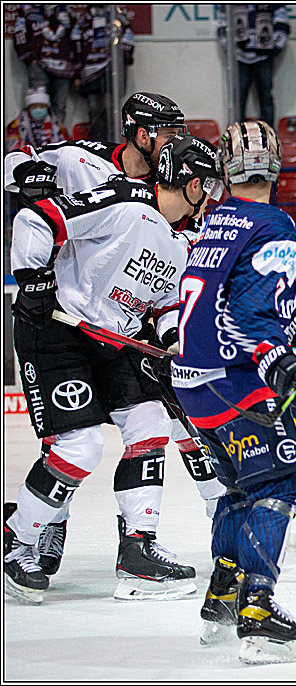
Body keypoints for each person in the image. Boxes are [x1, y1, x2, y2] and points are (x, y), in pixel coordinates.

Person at [4, 92, 226, 579]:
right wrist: (34, 278)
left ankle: (137, 548)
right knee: (79, 446)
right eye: (205, 186)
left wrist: (175, 340)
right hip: (59, 329)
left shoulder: (183, 235)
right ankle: (21, 535)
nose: (211, 197)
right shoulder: (118, 194)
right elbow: (33, 215)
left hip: (115, 338)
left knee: (150, 424)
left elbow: (165, 299)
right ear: (143, 134)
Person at [171, 120, 296, 663]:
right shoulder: (274, 222)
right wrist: (278, 364)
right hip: (236, 383)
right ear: (277, 167)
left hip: (194, 386)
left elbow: (235, 301)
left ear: (225, 169)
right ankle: (258, 613)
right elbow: (250, 314)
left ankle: (223, 599)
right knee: (278, 486)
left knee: (237, 493)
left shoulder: (217, 220)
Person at [218, 5, 290, 126]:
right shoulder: (229, 5)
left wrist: (273, 49)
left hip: (264, 58)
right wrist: (230, 50)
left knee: (266, 98)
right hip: (239, 59)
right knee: (238, 99)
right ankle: (238, 136)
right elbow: (222, 27)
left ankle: (268, 136)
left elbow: (282, 26)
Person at [75, 5, 136, 142]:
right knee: (95, 113)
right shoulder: (84, 20)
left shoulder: (118, 16)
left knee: (111, 112)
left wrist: (124, 55)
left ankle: (112, 146)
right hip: (90, 74)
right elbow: (76, 47)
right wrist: (77, 73)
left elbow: (127, 39)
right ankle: (98, 146)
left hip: (111, 73)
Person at [5, 87, 69, 153]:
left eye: (42, 106)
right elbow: (13, 149)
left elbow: (66, 147)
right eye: (34, 106)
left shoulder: (57, 126)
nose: (38, 109)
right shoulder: (17, 126)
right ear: (29, 109)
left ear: (47, 108)